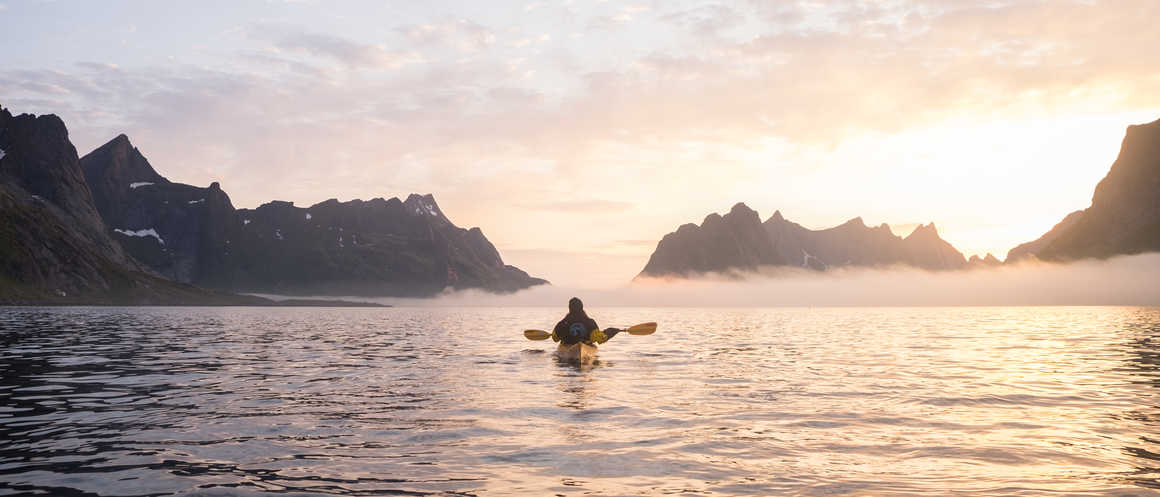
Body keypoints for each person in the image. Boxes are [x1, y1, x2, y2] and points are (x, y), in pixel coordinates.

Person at [553, 297, 620, 345]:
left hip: (567, 347)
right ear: (582, 308)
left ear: (569, 309)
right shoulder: (590, 322)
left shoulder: (562, 323)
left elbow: (555, 338)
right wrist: (610, 332)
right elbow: (600, 339)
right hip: (586, 346)